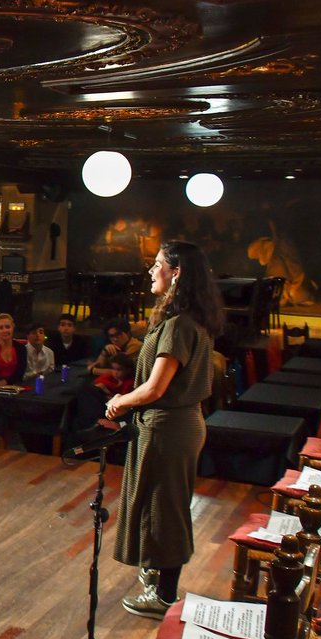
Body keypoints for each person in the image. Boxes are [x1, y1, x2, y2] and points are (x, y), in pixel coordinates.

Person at [106, 241, 223, 619]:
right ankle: (157, 577)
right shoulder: (191, 320)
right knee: (163, 504)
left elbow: (156, 387)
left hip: (168, 427)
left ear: (177, 273)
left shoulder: (178, 326)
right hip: (179, 424)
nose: (151, 271)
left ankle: (164, 596)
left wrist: (120, 402)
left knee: (164, 508)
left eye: (158, 265)